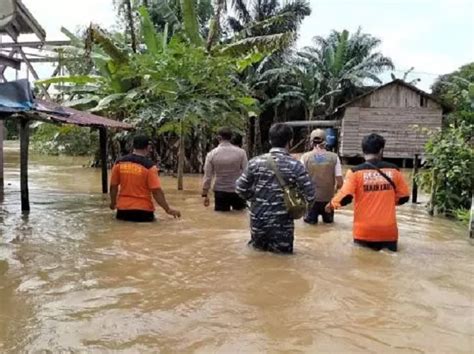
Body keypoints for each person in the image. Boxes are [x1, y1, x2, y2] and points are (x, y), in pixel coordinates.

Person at [236, 123, 315, 253]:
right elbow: (310, 195)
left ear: (270, 140)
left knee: (257, 260)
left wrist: (254, 200)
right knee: (283, 262)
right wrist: (298, 210)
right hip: (283, 225)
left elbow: (240, 188)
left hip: (258, 222)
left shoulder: (254, 162)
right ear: (290, 141)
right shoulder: (296, 165)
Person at [325, 133, 410, 252]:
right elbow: (404, 197)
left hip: (364, 231)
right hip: (388, 232)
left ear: (363, 151)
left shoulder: (355, 172)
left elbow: (346, 197)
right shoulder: (394, 170)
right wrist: (386, 199)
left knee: (361, 266)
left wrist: (331, 205)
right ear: (381, 150)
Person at [109, 135, 181, 222]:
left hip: (123, 210)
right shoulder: (149, 167)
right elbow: (156, 191)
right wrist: (168, 209)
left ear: (133, 146)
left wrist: (113, 203)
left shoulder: (119, 163)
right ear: (148, 147)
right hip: (143, 211)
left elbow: (113, 186)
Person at [300, 129, 343, 224]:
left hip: (311, 200)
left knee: (310, 230)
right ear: (325, 141)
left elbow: (301, 180)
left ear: (311, 142)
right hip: (328, 200)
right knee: (329, 227)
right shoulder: (334, 157)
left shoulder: (305, 157)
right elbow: (340, 182)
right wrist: (334, 192)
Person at [202, 127, 248, 211]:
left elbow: (208, 176)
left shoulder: (211, 154)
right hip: (238, 191)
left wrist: (205, 192)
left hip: (220, 191)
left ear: (218, 138)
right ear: (231, 137)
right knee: (240, 217)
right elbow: (246, 173)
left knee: (221, 218)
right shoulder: (241, 153)